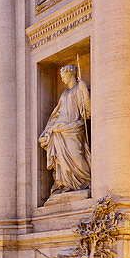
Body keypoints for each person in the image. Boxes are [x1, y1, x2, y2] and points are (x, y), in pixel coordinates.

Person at [40, 64, 91, 194]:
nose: (62, 79)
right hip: (60, 131)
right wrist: (48, 131)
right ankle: (66, 183)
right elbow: (57, 115)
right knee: (61, 160)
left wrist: (85, 90)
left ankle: (86, 179)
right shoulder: (64, 94)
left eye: (63, 76)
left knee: (77, 155)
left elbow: (86, 111)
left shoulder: (78, 90)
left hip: (73, 129)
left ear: (70, 75)